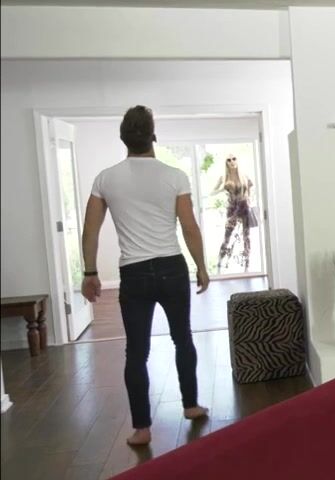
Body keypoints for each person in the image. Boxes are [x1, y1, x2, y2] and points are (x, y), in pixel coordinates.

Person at [80, 105, 210, 447]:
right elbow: (189, 227)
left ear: (123, 138)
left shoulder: (106, 179)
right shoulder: (174, 176)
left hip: (134, 274)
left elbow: (90, 230)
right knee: (182, 338)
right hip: (171, 268)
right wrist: (201, 266)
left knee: (136, 352)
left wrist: (90, 272)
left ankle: (142, 428)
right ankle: (191, 405)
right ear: (153, 136)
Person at [210, 155, 255, 273]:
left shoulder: (244, 176)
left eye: (234, 158)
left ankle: (247, 265)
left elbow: (250, 192)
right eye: (229, 160)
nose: (232, 161)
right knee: (227, 236)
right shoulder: (223, 177)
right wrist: (222, 189)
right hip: (232, 210)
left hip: (244, 208)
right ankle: (219, 265)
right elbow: (212, 192)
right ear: (226, 163)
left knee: (246, 237)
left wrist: (249, 201)